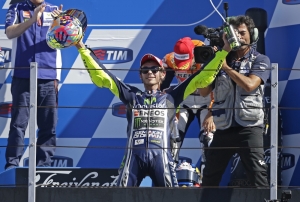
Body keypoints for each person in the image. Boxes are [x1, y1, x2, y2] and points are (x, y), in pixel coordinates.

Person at [73, 34, 231, 186]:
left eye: (155, 69)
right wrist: (81, 47)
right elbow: (104, 77)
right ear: (140, 75)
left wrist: (224, 51)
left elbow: (202, 78)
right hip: (133, 159)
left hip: (161, 160)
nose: (150, 72)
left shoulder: (172, 95)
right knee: (121, 197)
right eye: (145, 70)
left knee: (169, 198)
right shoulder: (131, 95)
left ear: (163, 74)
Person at [200, 15, 270, 187]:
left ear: (252, 35)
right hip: (223, 128)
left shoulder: (261, 59)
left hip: (249, 128)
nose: (238, 37)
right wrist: (213, 62)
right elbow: (203, 91)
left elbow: (250, 85)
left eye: (242, 33)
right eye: (234, 33)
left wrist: (226, 68)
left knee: (258, 177)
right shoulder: (220, 59)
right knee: (209, 177)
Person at [4, 0, 62, 170]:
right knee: (18, 124)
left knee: (48, 125)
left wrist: (61, 26)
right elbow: (9, 32)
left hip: (48, 76)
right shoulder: (17, 7)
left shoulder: (54, 11)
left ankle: (43, 168)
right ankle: (12, 166)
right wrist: (32, 19)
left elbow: (61, 43)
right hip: (22, 75)